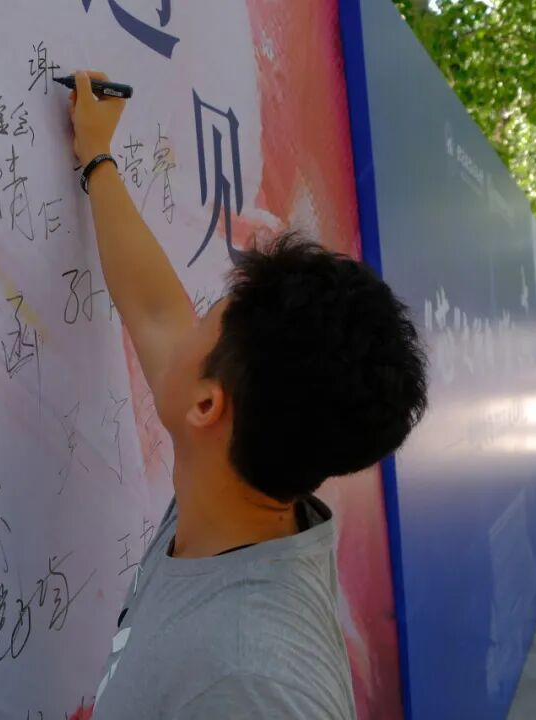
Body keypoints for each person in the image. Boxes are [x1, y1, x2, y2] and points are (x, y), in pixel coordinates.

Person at [65, 71, 428, 719]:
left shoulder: (251, 681)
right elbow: (154, 309)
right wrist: (98, 157)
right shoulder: (227, 491)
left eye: (205, 320)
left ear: (207, 406)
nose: (185, 322)